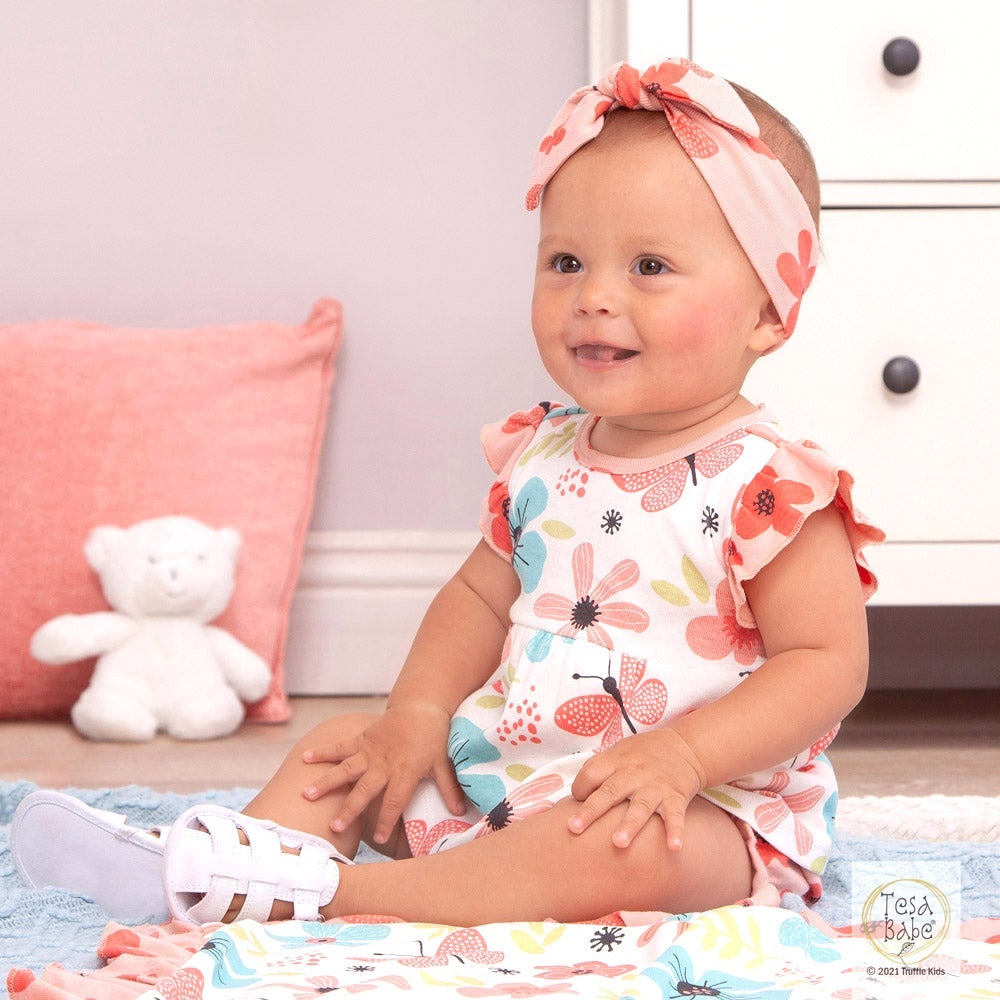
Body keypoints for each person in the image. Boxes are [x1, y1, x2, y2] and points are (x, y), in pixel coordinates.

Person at [12, 58, 883, 929]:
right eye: (567, 262)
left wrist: (684, 756)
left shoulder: (769, 485)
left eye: (650, 266)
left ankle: (340, 899)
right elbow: (475, 596)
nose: (595, 299)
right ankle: (229, 870)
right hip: (506, 785)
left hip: (696, 813)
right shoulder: (544, 456)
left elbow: (826, 664)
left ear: (768, 313)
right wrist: (416, 716)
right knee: (339, 752)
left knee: (617, 844)